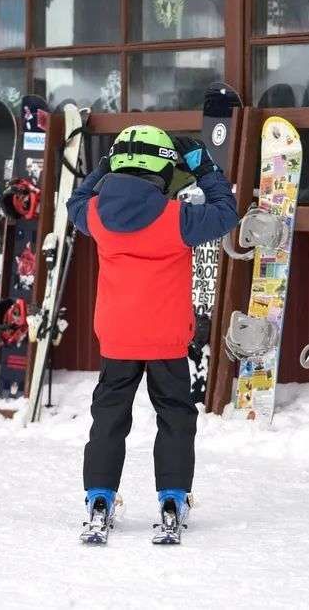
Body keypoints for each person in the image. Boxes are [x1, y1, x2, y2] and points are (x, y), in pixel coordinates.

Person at [66, 125, 238, 542]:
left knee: (108, 419)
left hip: (117, 338)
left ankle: (100, 498)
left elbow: (75, 201)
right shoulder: (177, 218)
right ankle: (172, 498)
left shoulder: (97, 216)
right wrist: (200, 163)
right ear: (162, 169)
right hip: (165, 340)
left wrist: (102, 167)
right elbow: (226, 209)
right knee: (175, 418)